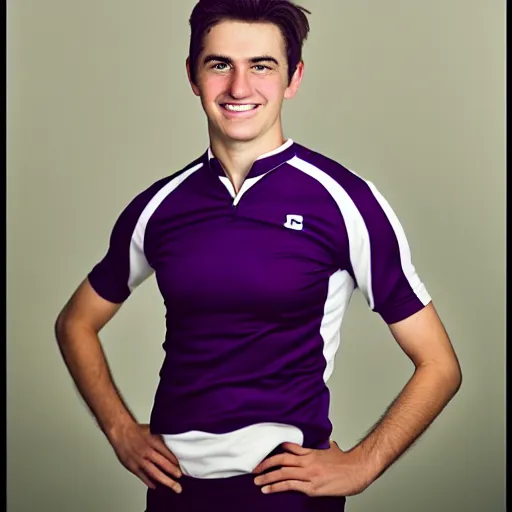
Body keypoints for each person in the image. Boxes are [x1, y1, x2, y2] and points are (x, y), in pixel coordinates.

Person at [54, 0, 462, 510]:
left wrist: (363, 463)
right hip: (174, 493)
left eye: (262, 66)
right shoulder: (159, 207)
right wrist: (118, 429)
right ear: (192, 75)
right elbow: (75, 323)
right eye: (219, 64)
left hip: (286, 494)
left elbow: (439, 364)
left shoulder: (344, 201)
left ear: (293, 79)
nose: (239, 88)